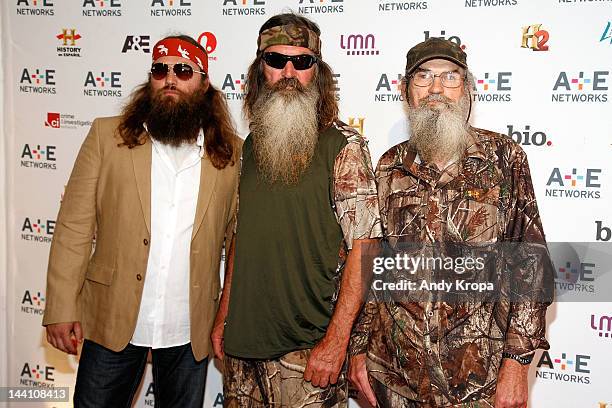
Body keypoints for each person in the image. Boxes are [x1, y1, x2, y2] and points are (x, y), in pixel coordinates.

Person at [349, 38, 553, 408]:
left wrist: (516, 365)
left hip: (478, 383)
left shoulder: (503, 159)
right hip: (398, 379)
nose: (436, 89)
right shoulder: (388, 166)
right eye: (423, 77)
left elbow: (532, 264)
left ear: (468, 87)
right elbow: (373, 266)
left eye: (450, 76)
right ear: (405, 90)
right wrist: (359, 348)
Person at [42, 34, 241, 407]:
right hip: (113, 319)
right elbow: (74, 226)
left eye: (183, 70)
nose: (170, 78)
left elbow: (238, 243)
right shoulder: (107, 136)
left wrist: (229, 317)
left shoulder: (230, 154)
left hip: (189, 326)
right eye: (160, 69)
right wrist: (60, 307)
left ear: (203, 82)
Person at [210, 13, 382, 407]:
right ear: (259, 70)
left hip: (307, 354)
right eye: (276, 60)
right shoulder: (251, 146)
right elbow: (242, 235)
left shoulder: (344, 147)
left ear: (317, 73)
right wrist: (224, 312)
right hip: (242, 350)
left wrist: (336, 342)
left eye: (302, 61)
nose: (289, 71)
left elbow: (367, 248)